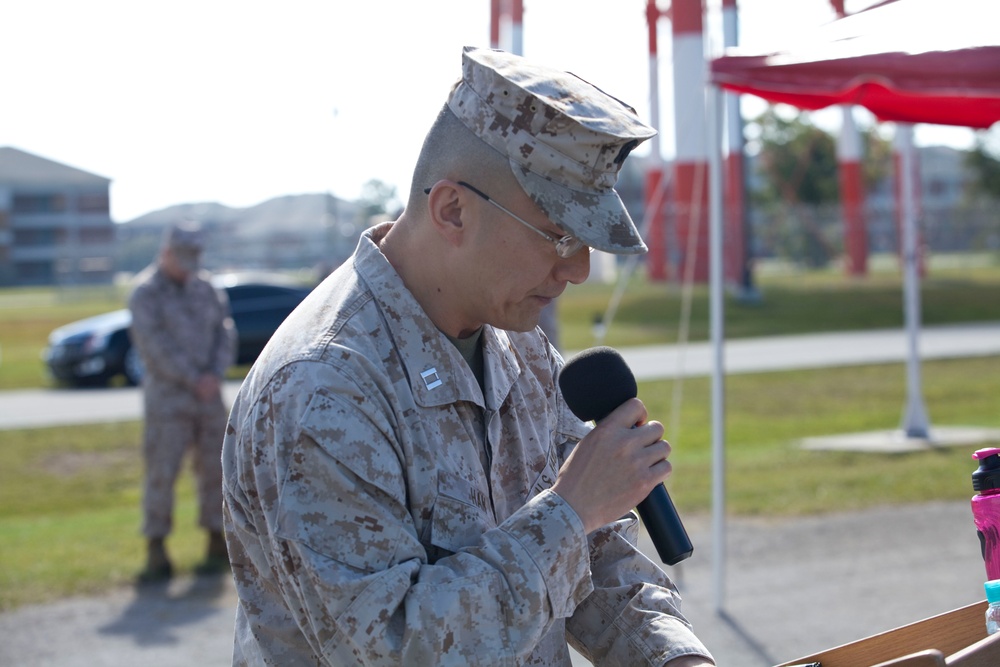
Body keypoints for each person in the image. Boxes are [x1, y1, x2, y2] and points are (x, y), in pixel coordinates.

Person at [222, 47, 715, 666]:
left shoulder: (521, 349)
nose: (579, 268)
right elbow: (392, 647)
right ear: (452, 210)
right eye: (559, 234)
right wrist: (568, 511)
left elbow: (596, 560)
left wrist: (673, 658)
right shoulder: (324, 388)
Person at [129, 221, 236, 582]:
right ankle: (156, 547)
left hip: (208, 400)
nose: (190, 265)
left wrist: (214, 373)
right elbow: (153, 345)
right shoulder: (146, 293)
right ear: (166, 253)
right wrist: (194, 378)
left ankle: (215, 540)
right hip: (168, 400)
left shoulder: (206, 288)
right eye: (183, 258)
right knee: (163, 470)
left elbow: (225, 331)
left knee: (216, 470)